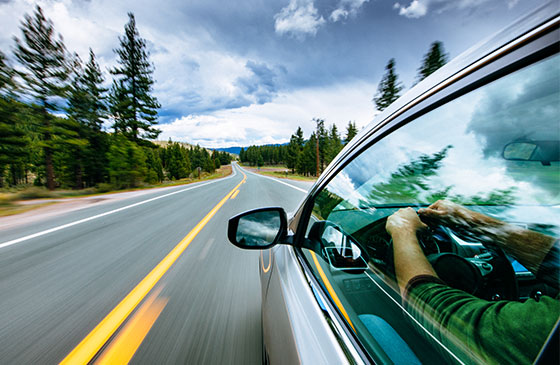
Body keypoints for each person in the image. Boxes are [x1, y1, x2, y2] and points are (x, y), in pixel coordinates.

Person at [385, 200, 559, 364]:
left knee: (373, 324)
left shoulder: (548, 327)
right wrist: (473, 222)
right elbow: (555, 261)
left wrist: (404, 231)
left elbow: (438, 313)